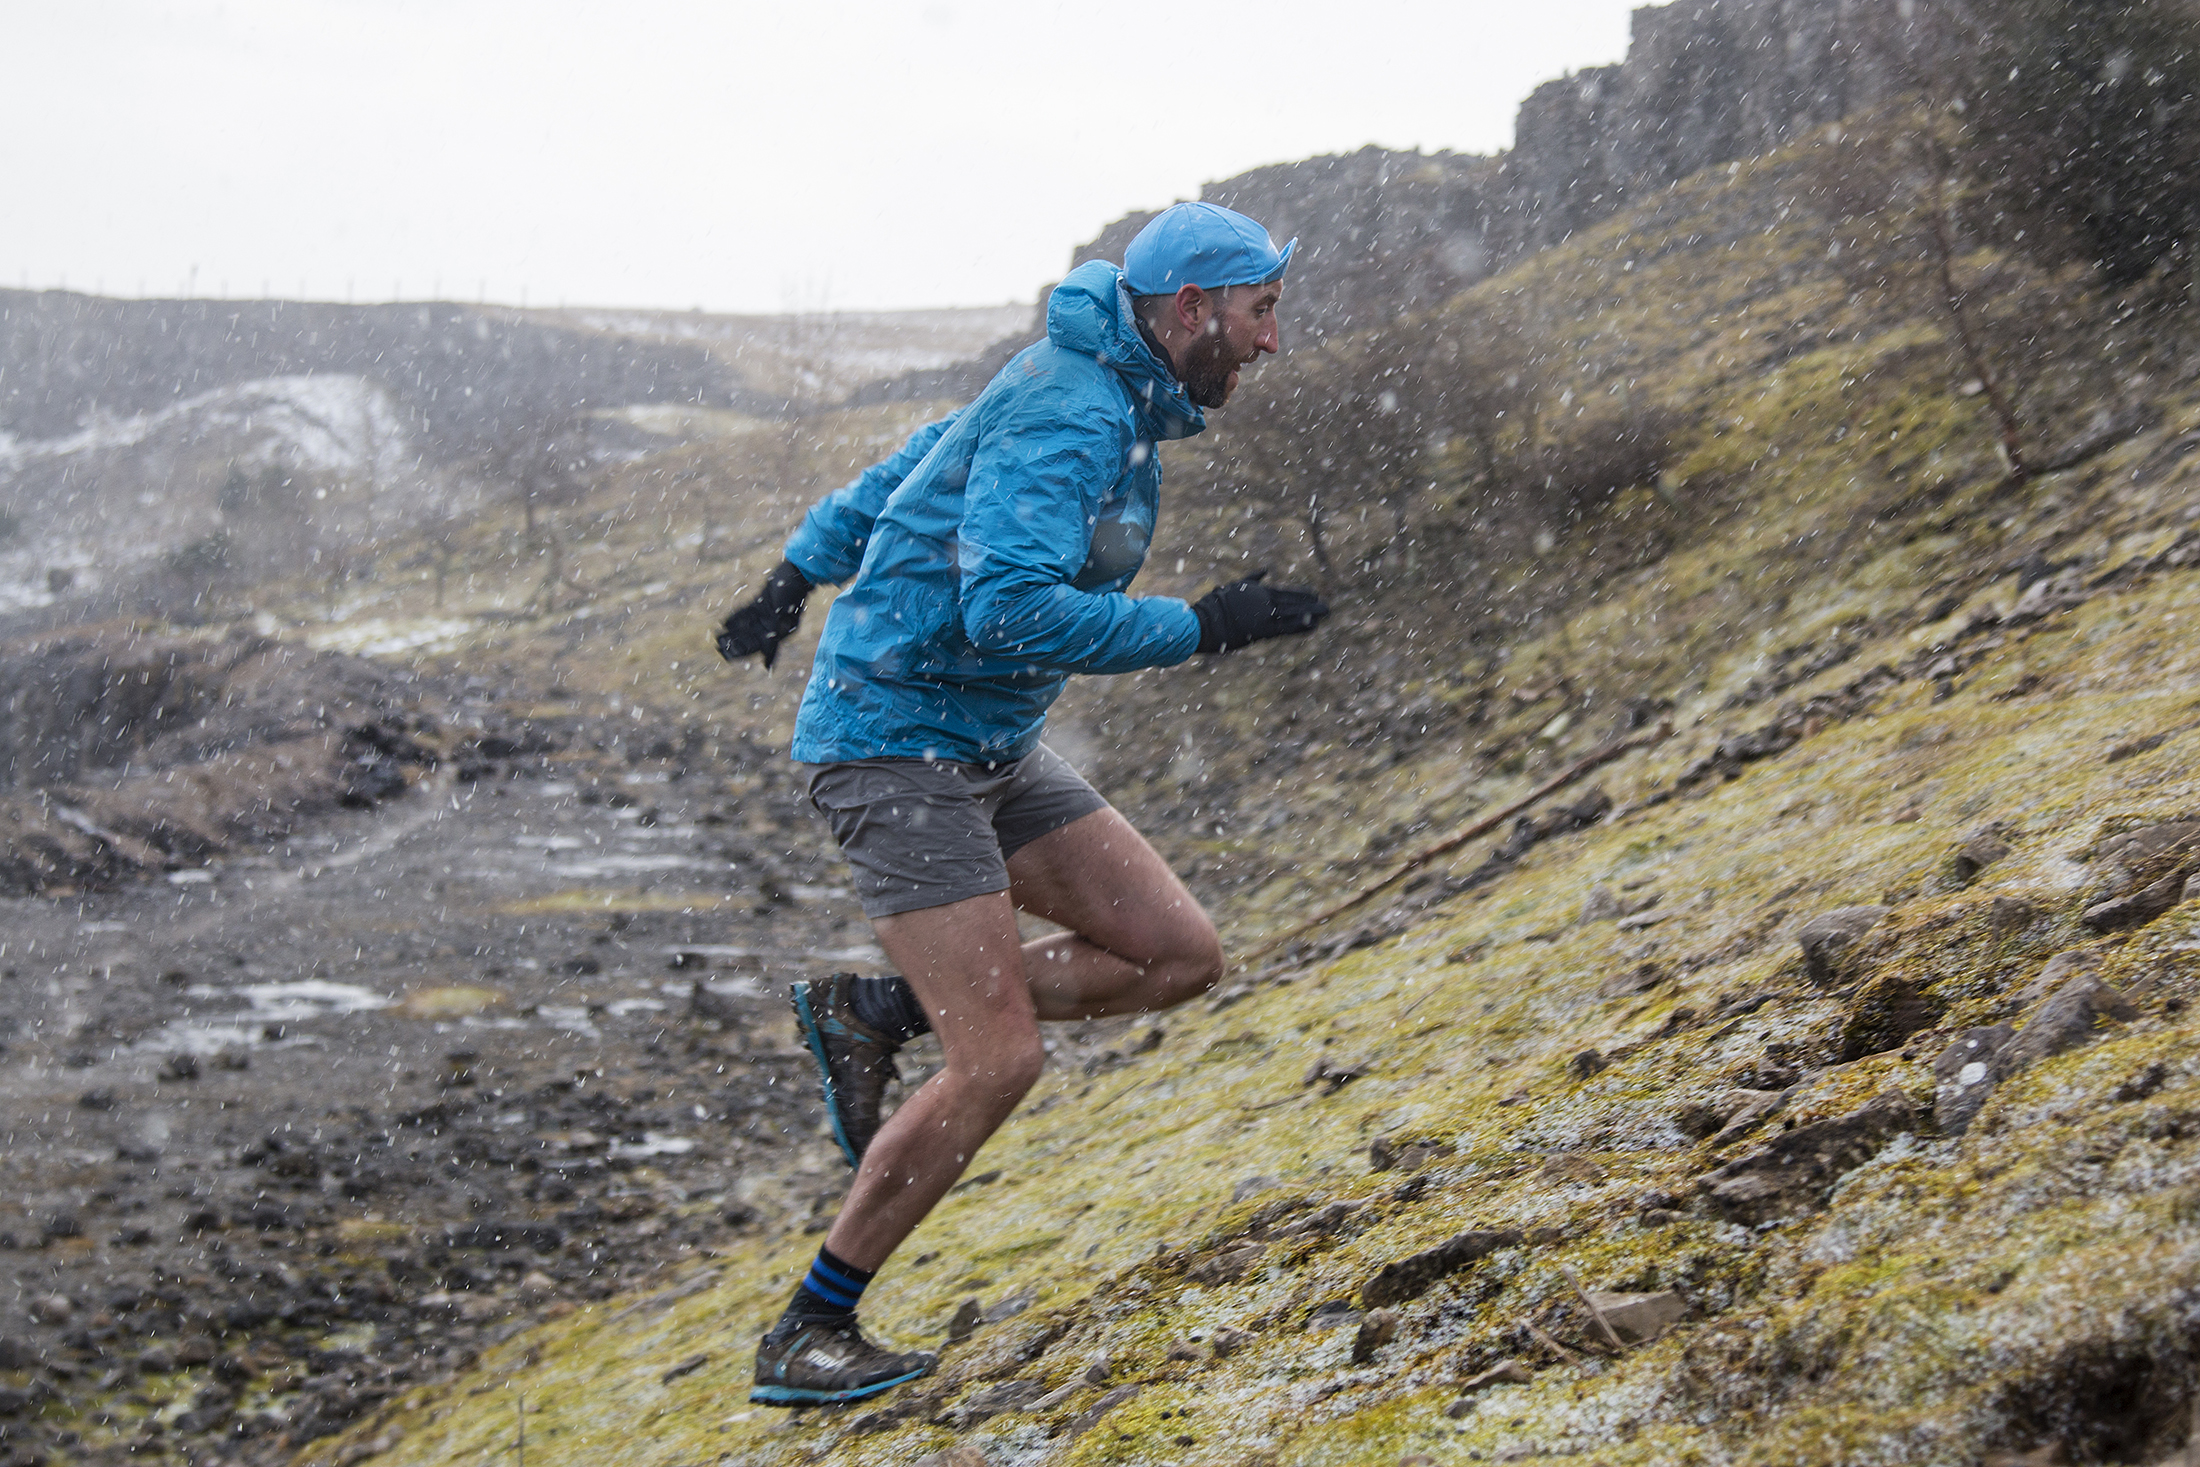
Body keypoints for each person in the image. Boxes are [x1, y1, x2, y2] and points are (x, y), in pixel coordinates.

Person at [715, 201, 1330, 1407]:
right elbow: (1007, 610)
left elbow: (919, 462)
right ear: (1191, 307)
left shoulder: (1106, 389)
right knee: (996, 1057)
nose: (1271, 340)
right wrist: (1203, 626)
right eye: (1260, 313)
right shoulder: (1075, 406)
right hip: (894, 747)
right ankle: (809, 1327)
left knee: (1176, 955)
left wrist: (797, 570)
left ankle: (877, 1009)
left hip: (989, 744)